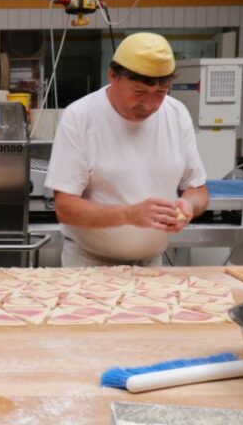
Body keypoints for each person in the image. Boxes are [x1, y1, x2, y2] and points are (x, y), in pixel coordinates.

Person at [45, 32, 209, 267]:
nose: (150, 105)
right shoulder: (81, 117)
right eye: (139, 93)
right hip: (90, 266)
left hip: (152, 265)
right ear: (112, 76)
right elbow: (66, 207)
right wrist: (128, 215)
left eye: (160, 93)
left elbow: (198, 190)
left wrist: (188, 206)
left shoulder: (177, 114)